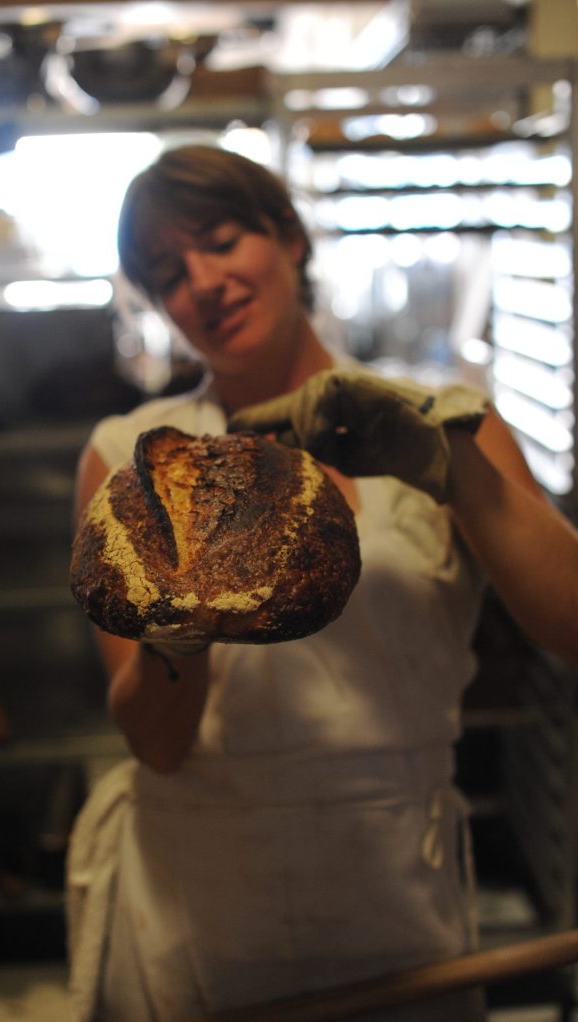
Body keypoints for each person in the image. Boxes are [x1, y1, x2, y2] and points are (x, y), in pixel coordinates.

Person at [66, 143, 578, 1022]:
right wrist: (181, 620)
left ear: (289, 236)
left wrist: (454, 467)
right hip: (200, 912)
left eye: (221, 240)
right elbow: (156, 743)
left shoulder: (437, 424)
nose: (204, 282)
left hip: (395, 903)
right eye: (168, 273)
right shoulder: (132, 463)